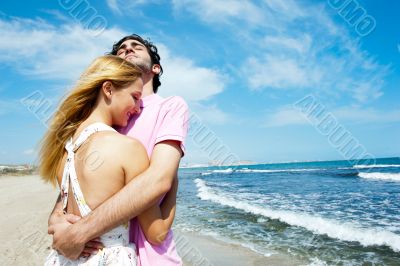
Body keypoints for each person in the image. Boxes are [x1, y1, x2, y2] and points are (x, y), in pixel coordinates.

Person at [48, 34, 189, 265]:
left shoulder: (170, 107)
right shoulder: (111, 122)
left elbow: (157, 180)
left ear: (155, 67)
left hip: (151, 255)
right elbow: (72, 186)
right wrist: (56, 219)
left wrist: (78, 232)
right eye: (121, 49)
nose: (128, 49)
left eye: (136, 47)